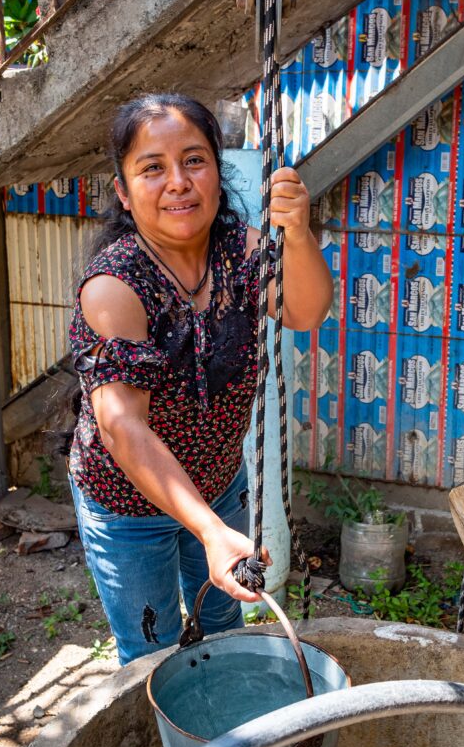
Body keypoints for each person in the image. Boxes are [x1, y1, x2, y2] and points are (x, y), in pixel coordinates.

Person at [68, 93, 332, 665]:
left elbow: (306, 312)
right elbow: (122, 427)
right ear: (123, 190)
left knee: (224, 625)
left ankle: (225, 737)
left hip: (219, 480)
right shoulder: (116, 286)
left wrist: (300, 233)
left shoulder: (242, 250)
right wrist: (211, 533)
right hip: (127, 503)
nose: (178, 182)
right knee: (152, 652)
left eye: (194, 160)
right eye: (152, 168)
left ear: (218, 170)